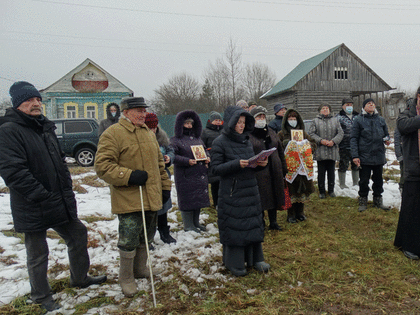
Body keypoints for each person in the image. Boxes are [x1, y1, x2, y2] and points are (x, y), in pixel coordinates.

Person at [0, 81, 107, 312]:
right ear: (18, 104)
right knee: (38, 253)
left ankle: (79, 278)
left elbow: (59, 161)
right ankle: (40, 296)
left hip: (57, 199)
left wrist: (66, 188)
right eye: (29, 100)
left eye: (38, 100)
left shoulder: (44, 127)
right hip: (32, 203)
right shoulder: (8, 131)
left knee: (77, 234)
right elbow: (13, 172)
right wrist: (41, 195)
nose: (35, 104)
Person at [95, 97, 171, 297]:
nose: (143, 114)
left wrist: (165, 188)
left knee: (146, 235)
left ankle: (140, 269)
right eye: (138, 110)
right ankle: (126, 276)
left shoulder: (148, 133)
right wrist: (128, 176)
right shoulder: (112, 134)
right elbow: (103, 166)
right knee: (129, 239)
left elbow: (159, 165)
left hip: (151, 197)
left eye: (144, 110)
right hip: (129, 199)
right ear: (125, 112)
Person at [211, 106, 270, 276]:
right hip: (232, 192)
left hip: (250, 190)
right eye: (238, 122)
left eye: (244, 122)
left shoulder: (246, 141)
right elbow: (214, 170)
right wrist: (236, 164)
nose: (241, 126)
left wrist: (259, 165)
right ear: (230, 123)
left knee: (252, 224)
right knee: (236, 227)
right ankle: (234, 262)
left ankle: (255, 259)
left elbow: (249, 166)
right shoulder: (219, 142)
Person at [170, 110, 210, 233]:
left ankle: (195, 223)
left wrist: (208, 157)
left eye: (191, 123)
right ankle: (188, 225)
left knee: (197, 199)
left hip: (199, 173)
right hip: (185, 175)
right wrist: (187, 161)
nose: (189, 126)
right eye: (186, 123)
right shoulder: (175, 140)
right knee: (187, 200)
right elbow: (173, 156)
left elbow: (204, 150)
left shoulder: (198, 139)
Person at [249, 106, 287, 230]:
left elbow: (279, 149)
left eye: (263, 117)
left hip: (274, 168)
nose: (262, 119)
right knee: (262, 195)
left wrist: (283, 166)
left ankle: (273, 222)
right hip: (259, 170)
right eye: (259, 117)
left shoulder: (270, 131)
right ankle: (260, 222)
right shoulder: (248, 134)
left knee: (274, 194)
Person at [351, 98, 391, 212]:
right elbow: (353, 138)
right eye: (368, 103)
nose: (371, 104)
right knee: (364, 180)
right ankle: (363, 201)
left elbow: (386, 135)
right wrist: (355, 155)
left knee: (378, 180)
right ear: (364, 107)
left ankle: (378, 201)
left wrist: (387, 139)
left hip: (378, 155)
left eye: (373, 103)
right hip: (364, 156)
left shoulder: (381, 120)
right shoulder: (358, 120)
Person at [394, 90, 420, 260]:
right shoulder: (407, 113)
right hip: (413, 168)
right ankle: (408, 244)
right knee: (411, 207)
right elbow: (403, 127)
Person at [278, 109, 316, 223]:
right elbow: (277, 148)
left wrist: (306, 146)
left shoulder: (303, 133)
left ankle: (300, 212)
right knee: (291, 191)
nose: (292, 121)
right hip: (289, 167)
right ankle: (291, 214)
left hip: (302, 168)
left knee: (302, 190)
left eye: (294, 119)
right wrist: (286, 145)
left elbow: (313, 144)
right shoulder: (281, 134)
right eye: (290, 119)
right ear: (286, 120)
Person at [144, 112, 176, 244]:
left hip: (163, 177)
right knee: (149, 209)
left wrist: (169, 158)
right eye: (150, 127)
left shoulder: (161, 137)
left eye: (154, 127)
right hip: (148, 178)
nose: (153, 130)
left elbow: (170, 150)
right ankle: (147, 237)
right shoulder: (141, 139)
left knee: (163, 205)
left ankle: (164, 232)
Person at [309, 103, 343, 199]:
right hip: (320, 150)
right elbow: (311, 133)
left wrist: (333, 141)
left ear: (330, 110)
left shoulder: (335, 120)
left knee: (331, 172)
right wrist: (321, 140)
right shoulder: (315, 121)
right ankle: (322, 191)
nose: (325, 110)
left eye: (327, 108)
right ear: (319, 111)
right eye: (323, 108)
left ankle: (331, 190)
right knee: (321, 172)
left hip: (332, 149)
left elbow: (340, 133)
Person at [201, 111, 223, 208]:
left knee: (223, 182)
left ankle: (224, 201)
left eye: (219, 120)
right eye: (216, 120)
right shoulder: (205, 132)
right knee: (215, 183)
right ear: (211, 121)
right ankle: (216, 203)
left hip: (223, 159)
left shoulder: (224, 131)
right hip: (212, 160)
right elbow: (202, 145)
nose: (218, 122)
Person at [337, 98, 359, 188]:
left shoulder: (358, 116)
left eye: (351, 105)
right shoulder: (338, 117)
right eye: (347, 105)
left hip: (356, 145)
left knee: (356, 164)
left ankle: (356, 183)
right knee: (343, 164)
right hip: (344, 145)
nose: (349, 107)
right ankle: (342, 184)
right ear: (343, 106)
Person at [393, 122, 404, 195]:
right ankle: (402, 188)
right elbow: (397, 140)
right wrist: (399, 155)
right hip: (404, 154)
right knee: (404, 173)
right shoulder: (403, 122)